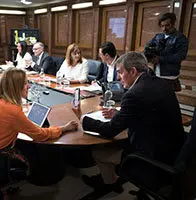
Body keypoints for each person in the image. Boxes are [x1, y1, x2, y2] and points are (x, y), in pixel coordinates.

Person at [75, 52, 185, 190]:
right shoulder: (161, 83)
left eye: (120, 73)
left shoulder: (134, 94)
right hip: (175, 150)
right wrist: (121, 113)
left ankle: (109, 183)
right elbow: (147, 110)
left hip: (153, 156)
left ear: (133, 71)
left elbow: (110, 131)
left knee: (99, 151)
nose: (119, 78)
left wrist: (84, 120)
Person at [0, 67, 78, 177]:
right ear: (17, 87)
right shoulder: (13, 111)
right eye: (26, 83)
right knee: (34, 151)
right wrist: (64, 128)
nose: (29, 87)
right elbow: (41, 135)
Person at [145, 12, 188, 92]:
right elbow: (147, 47)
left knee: (165, 100)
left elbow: (180, 56)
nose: (164, 29)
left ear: (173, 24)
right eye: (162, 26)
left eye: (167, 25)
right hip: (157, 73)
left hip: (170, 76)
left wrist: (160, 59)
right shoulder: (158, 36)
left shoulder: (180, 38)